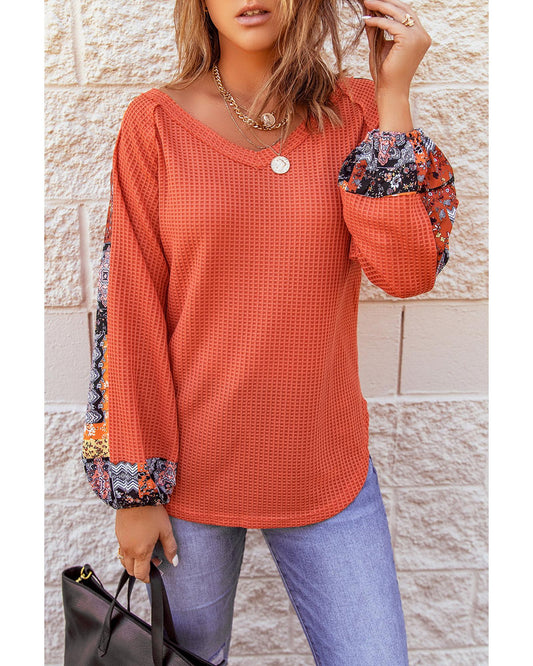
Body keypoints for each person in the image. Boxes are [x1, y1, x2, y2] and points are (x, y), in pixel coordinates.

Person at [81, 0, 458, 663]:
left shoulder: (358, 112)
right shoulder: (156, 124)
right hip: (190, 476)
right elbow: (130, 312)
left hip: (323, 465)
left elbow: (405, 272)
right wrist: (135, 490)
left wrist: (394, 97)